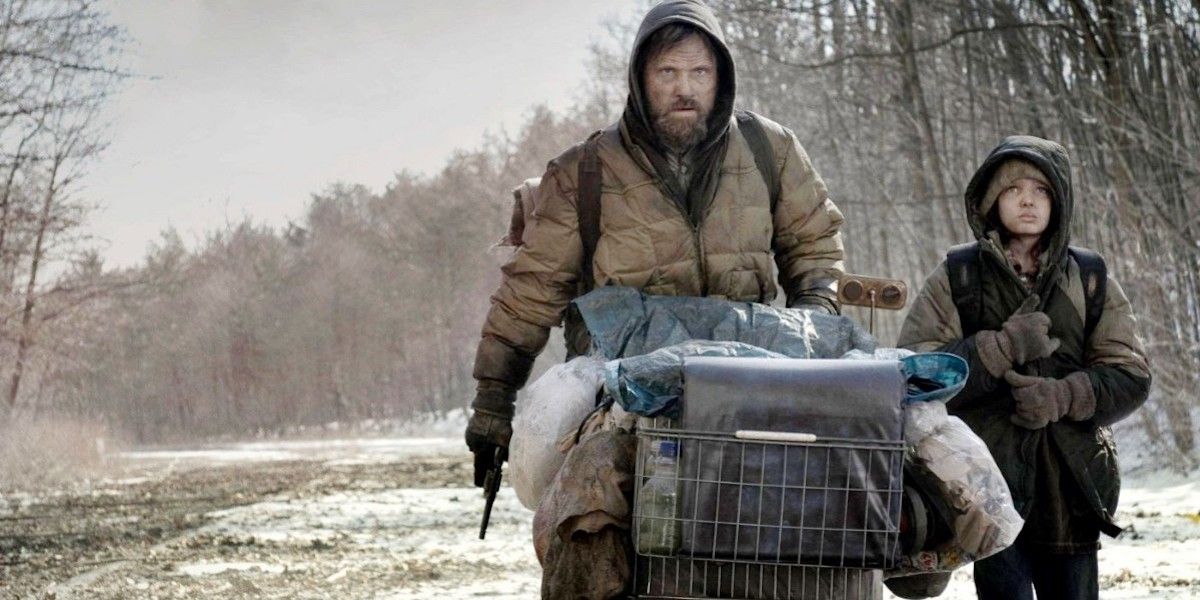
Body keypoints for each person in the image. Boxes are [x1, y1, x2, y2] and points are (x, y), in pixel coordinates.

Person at [465, 0, 844, 485]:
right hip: (619, 392)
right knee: (591, 505)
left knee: (830, 496)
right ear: (640, 79)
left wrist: (809, 326)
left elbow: (815, 251)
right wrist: (493, 407)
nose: (684, 89)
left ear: (720, 77)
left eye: (699, 72)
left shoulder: (771, 150)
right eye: (667, 72)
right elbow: (528, 298)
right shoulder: (584, 172)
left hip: (750, 375)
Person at [898, 135, 1151, 600]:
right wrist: (997, 349)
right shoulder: (959, 275)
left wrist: (1066, 396)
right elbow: (915, 376)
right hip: (987, 489)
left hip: (1072, 488)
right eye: (1014, 189)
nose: (1028, 200)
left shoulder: (1090, 276)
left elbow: (1131, 374)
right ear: (993, 199)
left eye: (1041, 190)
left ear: (1059, 200)